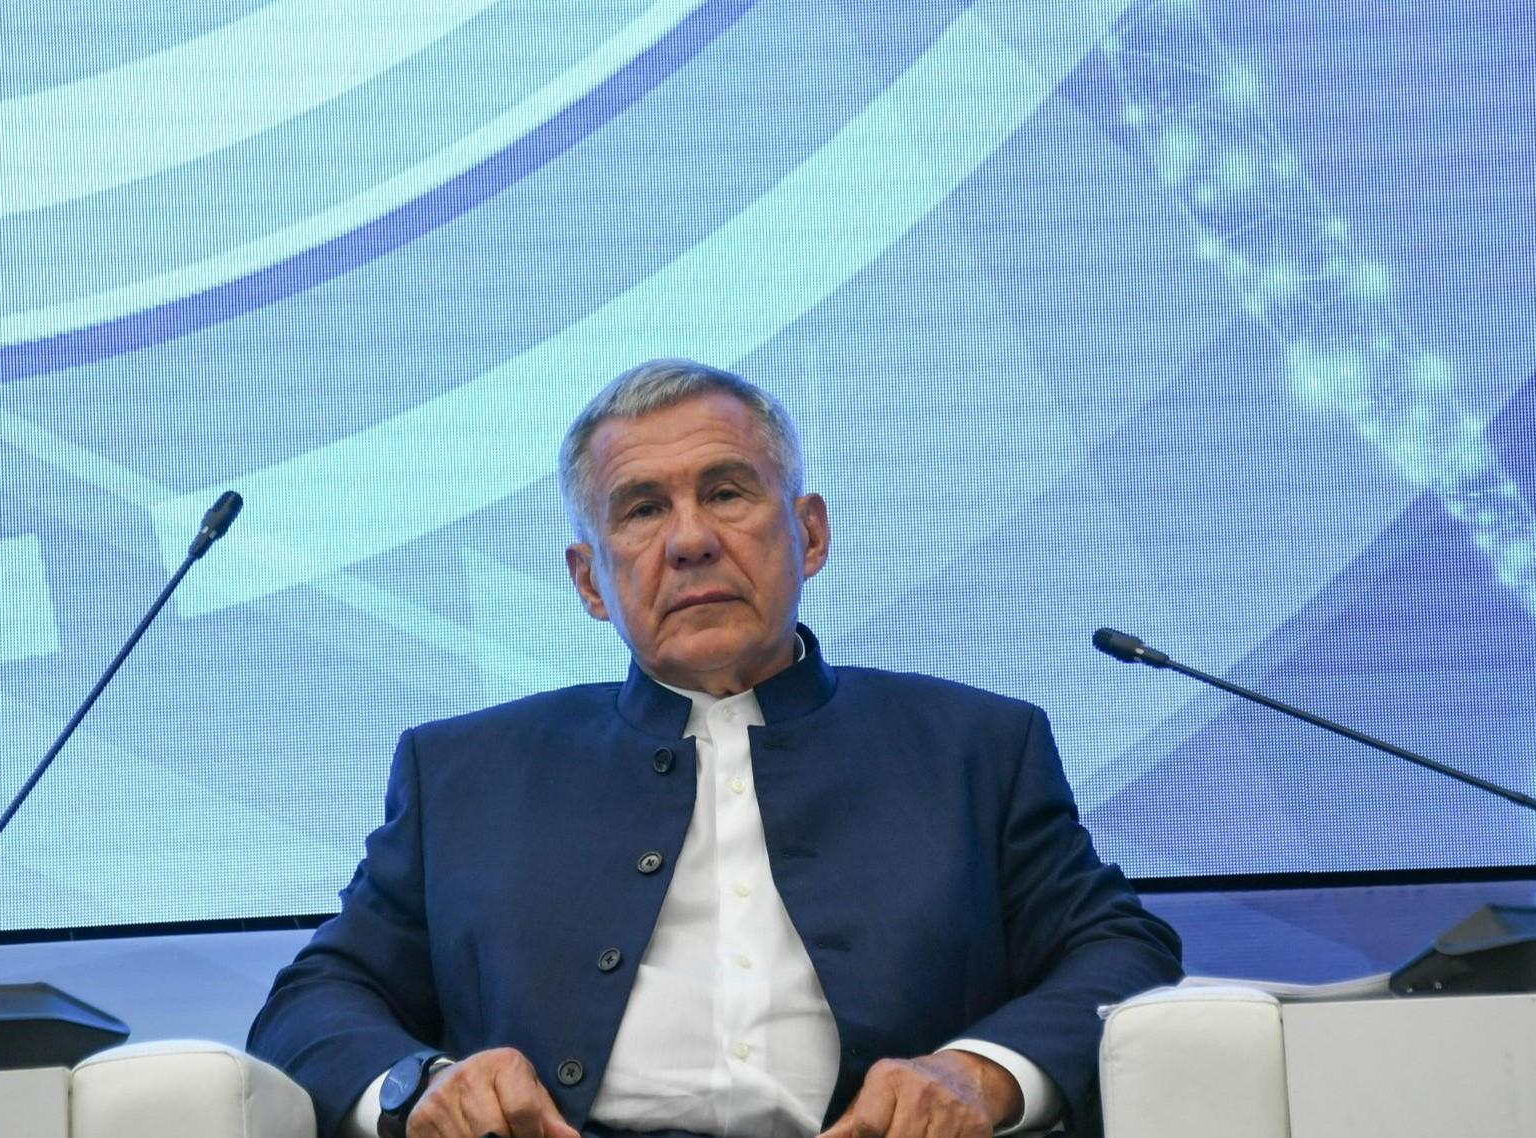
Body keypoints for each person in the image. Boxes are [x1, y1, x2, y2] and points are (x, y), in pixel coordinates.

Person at [247, 360, 1182, 1138]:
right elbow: (318, 997)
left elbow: (1120, 949)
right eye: (641, 510)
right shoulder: (464, 772)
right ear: (589, 581)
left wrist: (979, 1074)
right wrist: (425, 1086)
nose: (690, 540)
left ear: (809, 534)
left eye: (727, 493)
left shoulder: (974, 748)